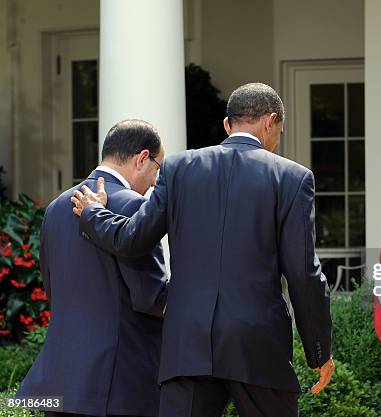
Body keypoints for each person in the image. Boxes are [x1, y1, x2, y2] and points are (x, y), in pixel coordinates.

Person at [71, 83, 335, 417]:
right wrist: (318, 350)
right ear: (270, 122)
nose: (277, 140)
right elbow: (303, 273)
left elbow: (132, 239)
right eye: (279, 132)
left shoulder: (177, 169)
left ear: (228, 125)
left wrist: (94, 213)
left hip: (187, 345)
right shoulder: (293, 178)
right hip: (257, 345)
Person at [18, 120, 169, 417]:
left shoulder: (56, 207)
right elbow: (150, 297)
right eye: (157, 168)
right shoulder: (134, 207)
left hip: (62, 380)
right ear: (142, 158)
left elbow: (52, 286)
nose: (155, 181)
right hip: (119, 382)